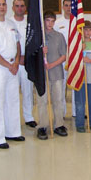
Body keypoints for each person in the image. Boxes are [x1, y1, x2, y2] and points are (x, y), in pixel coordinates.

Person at [0, 0, 25, 149]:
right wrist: (9, 66)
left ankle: (13, 132)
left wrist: (15, 62)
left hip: (12, 66)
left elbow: (17, 44)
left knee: (13, 99)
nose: (2, 7)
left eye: (4, 4)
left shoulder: (11, 24)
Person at [37, 10, 67, 140]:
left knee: (58, 100)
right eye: (47, 20)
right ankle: (42, 126)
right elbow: (31, 54)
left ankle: (59, 124)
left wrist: (52, 65)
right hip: (42, 75)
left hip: (56, 72)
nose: (50, 23)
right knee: (42, 101)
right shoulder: (39, 36)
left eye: (52, 21)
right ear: (43, 21)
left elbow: (64, 56)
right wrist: (40, 51)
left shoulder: (59, 36)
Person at [10, 0, 37, 127]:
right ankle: (13, 119)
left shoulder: (30, 22)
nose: (19, 8)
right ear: (13, 8)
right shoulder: (8, 23)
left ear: (25, 8)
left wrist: (26, 57)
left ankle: (29, 117)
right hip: (13, 63)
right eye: (17, 6)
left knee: (28, 91)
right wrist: (17, 58)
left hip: (27, 62)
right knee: (12, 92)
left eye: (22, 6)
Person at [74, 21, 91, 132]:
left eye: (89, 30)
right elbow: (72, 60)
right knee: (80, 103)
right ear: (81, 31)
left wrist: (89, 60)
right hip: (80, 78)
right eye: (85, 29)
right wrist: (80, 49)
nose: (87, 32)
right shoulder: (77, 44)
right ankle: (80, 124)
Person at [54, 0, 73, 116]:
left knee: (76, 86)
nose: (68, 8)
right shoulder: (57, 23)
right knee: (60, 88)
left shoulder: (78, 22)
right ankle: (62, 113)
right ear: (62, 7)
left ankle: (77, 112)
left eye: (70, 5)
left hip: (75, 59)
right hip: (61, 59)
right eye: (66, 5)